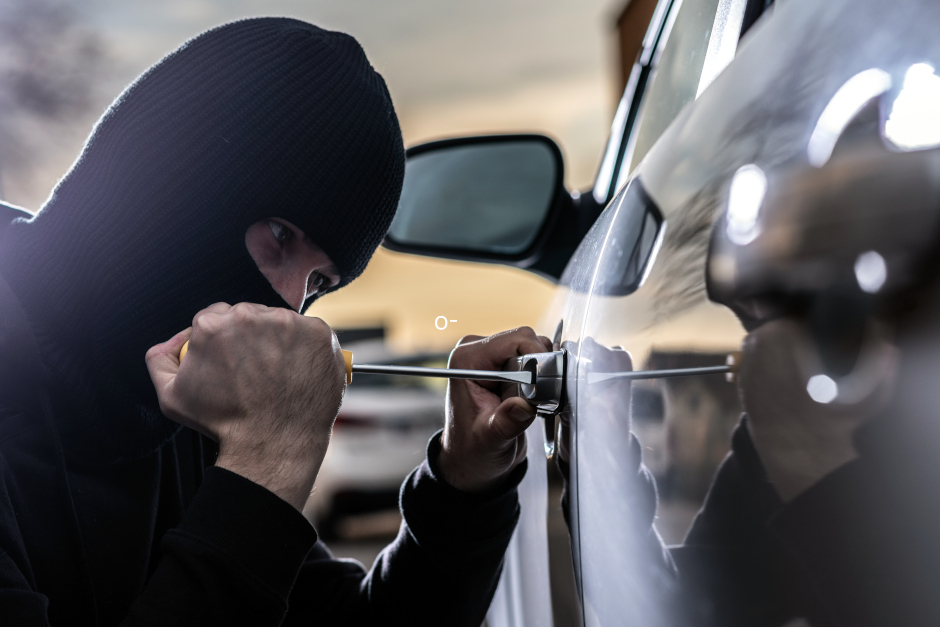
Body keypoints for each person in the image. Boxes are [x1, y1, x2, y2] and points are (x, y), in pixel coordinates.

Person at [0, 18, 549, 626]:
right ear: (166, 189)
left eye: (318, 284)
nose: (288, 307)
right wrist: (266, 473)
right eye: (281, 235)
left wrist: (463, 484)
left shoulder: (180, 417)